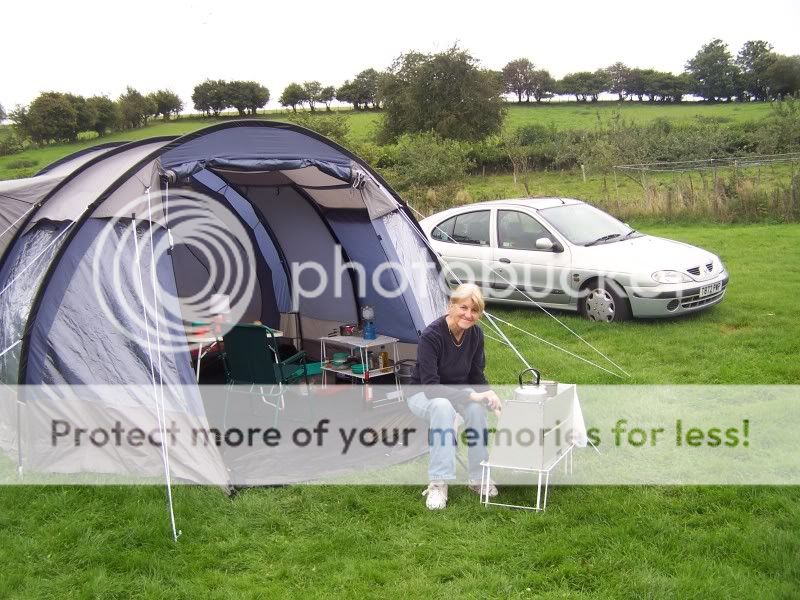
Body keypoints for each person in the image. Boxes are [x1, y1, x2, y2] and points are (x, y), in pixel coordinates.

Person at [407, 283, 502, 510]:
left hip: (457, 393)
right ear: (451, 306)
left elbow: (476, 375)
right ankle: (438, 483)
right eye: (463, 308)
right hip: (423, 394)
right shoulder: (432, 336)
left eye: (475, 310)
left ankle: (478, 477)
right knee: (442, 406)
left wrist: (489, 397)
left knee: (477, 409)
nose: (468, 315)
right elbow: (431, 387)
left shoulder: (476, 334)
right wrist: (470, 395)